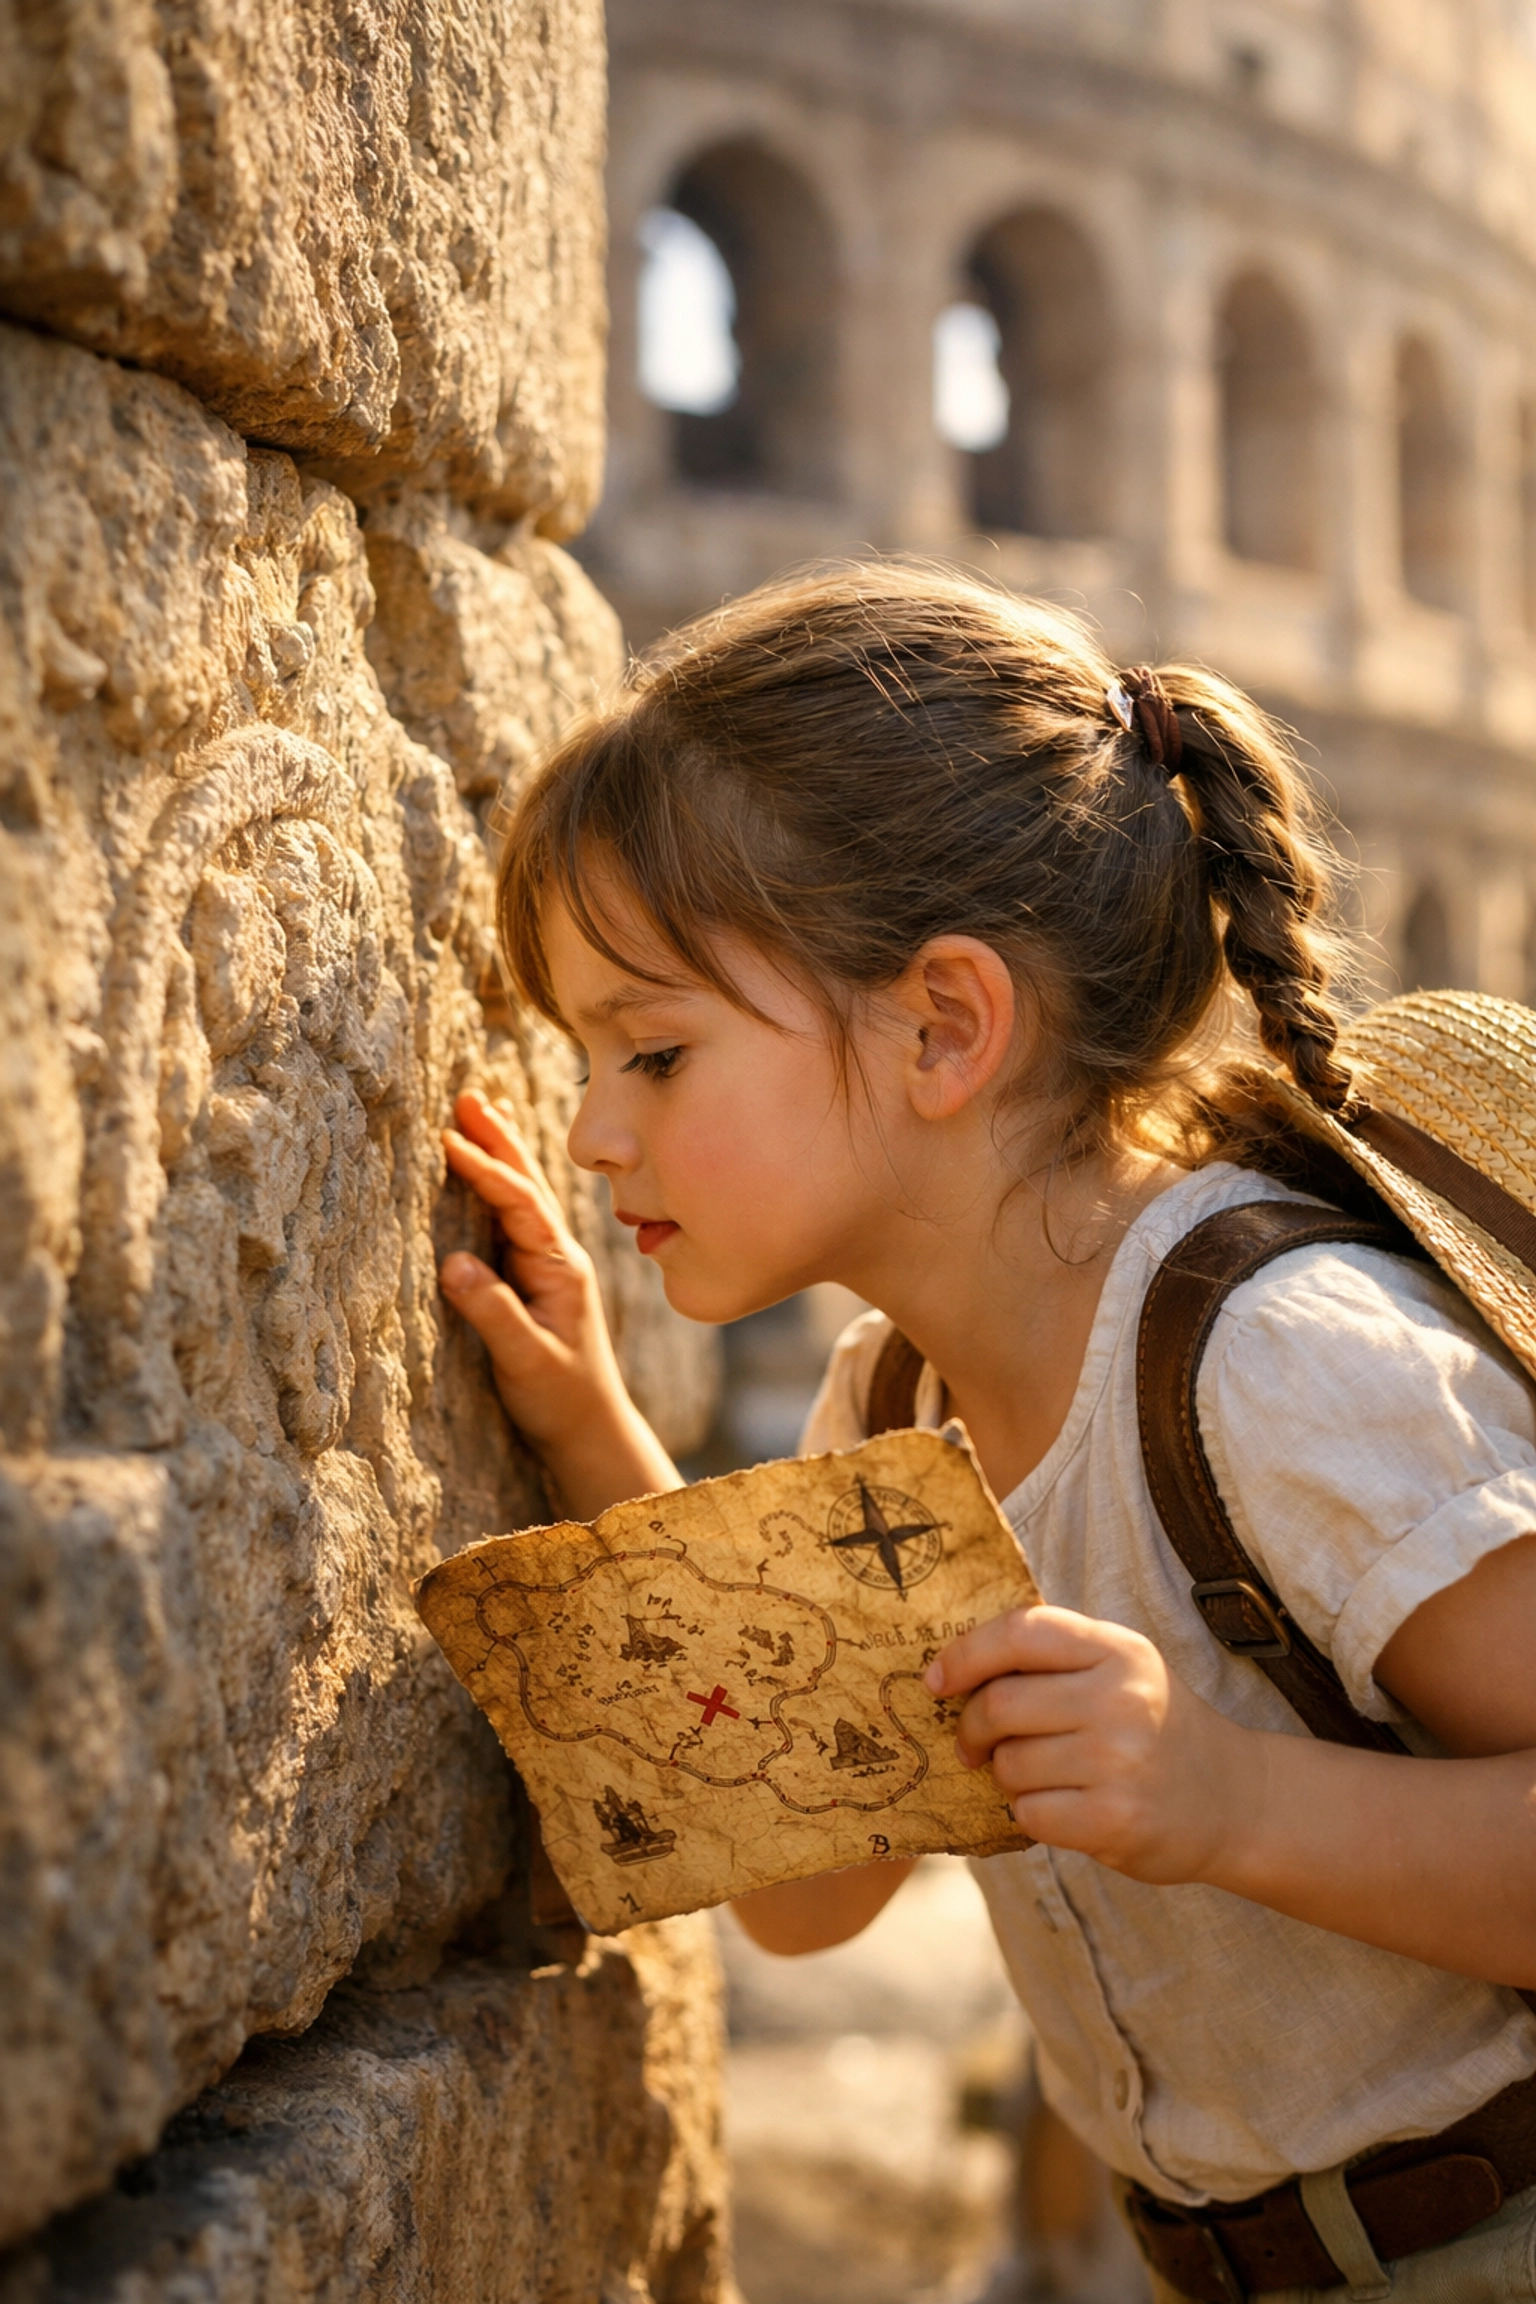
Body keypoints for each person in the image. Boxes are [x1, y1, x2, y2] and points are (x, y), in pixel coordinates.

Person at [435, 563, 1536, 2301]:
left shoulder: (1278, 1366)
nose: (587, 1135)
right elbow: (806, 1887)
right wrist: (583, 1427)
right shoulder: (892, 1401)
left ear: (944, 1025)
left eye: (649, 1057)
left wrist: (1222, 1795)